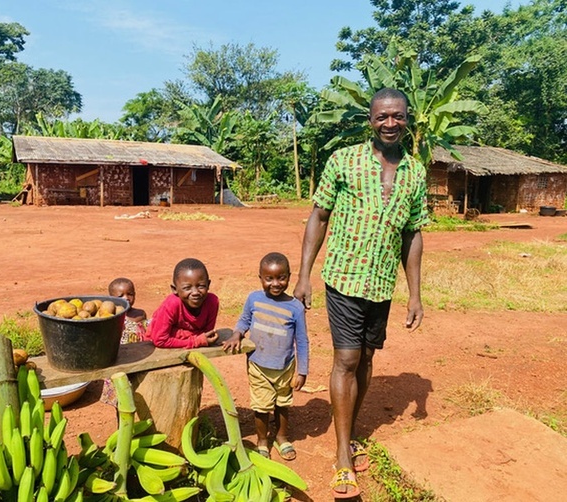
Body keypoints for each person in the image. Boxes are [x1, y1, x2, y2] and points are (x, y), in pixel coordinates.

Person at [293, 88, 430, 499]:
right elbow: (318, 216)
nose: (390, 123)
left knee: (367, 356)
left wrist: (415, 294)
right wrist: (304, 275)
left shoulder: (416, 172)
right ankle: (341, 455)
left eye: (398, 116)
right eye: (382, 116)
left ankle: (348, 426)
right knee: (347, 358)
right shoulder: (344, 160)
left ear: (408, 119)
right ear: (370, 120)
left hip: (382, 281)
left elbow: (413, 233)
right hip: (344, 277)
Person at [223, 252, 309, 461]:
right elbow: (244, 320)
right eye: (269, 278)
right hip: (258, 364)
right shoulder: (254, 299)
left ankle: (281, 437)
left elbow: (302, 340)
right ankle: (262, 441)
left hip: (285, 366)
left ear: (289, 276)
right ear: (260, 277)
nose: (276, 283)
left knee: (282, 403)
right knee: (261, 406)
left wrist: (302, 371)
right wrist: (237, 334)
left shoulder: (295, 307)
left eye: (281, 278)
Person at [146, 258, 219, 349]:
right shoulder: (172, 304)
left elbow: (207, 334)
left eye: (201, 286)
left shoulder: (212, 302)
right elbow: (160, 340)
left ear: (208, 285)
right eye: (187, 288)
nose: (195, 292)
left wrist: (177, 333)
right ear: (174, 289)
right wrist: (196, 340)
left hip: (180, 345)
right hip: (151, 348)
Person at [100, 277, 148, 408]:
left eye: (130, 294)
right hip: (119, 362)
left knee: (139, 393)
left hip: (138, 359)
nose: (126, 298)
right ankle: (122, 423)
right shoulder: (111, 317)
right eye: (120, 295)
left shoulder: (140, 314)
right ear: (111, 299)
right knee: (121, 398)